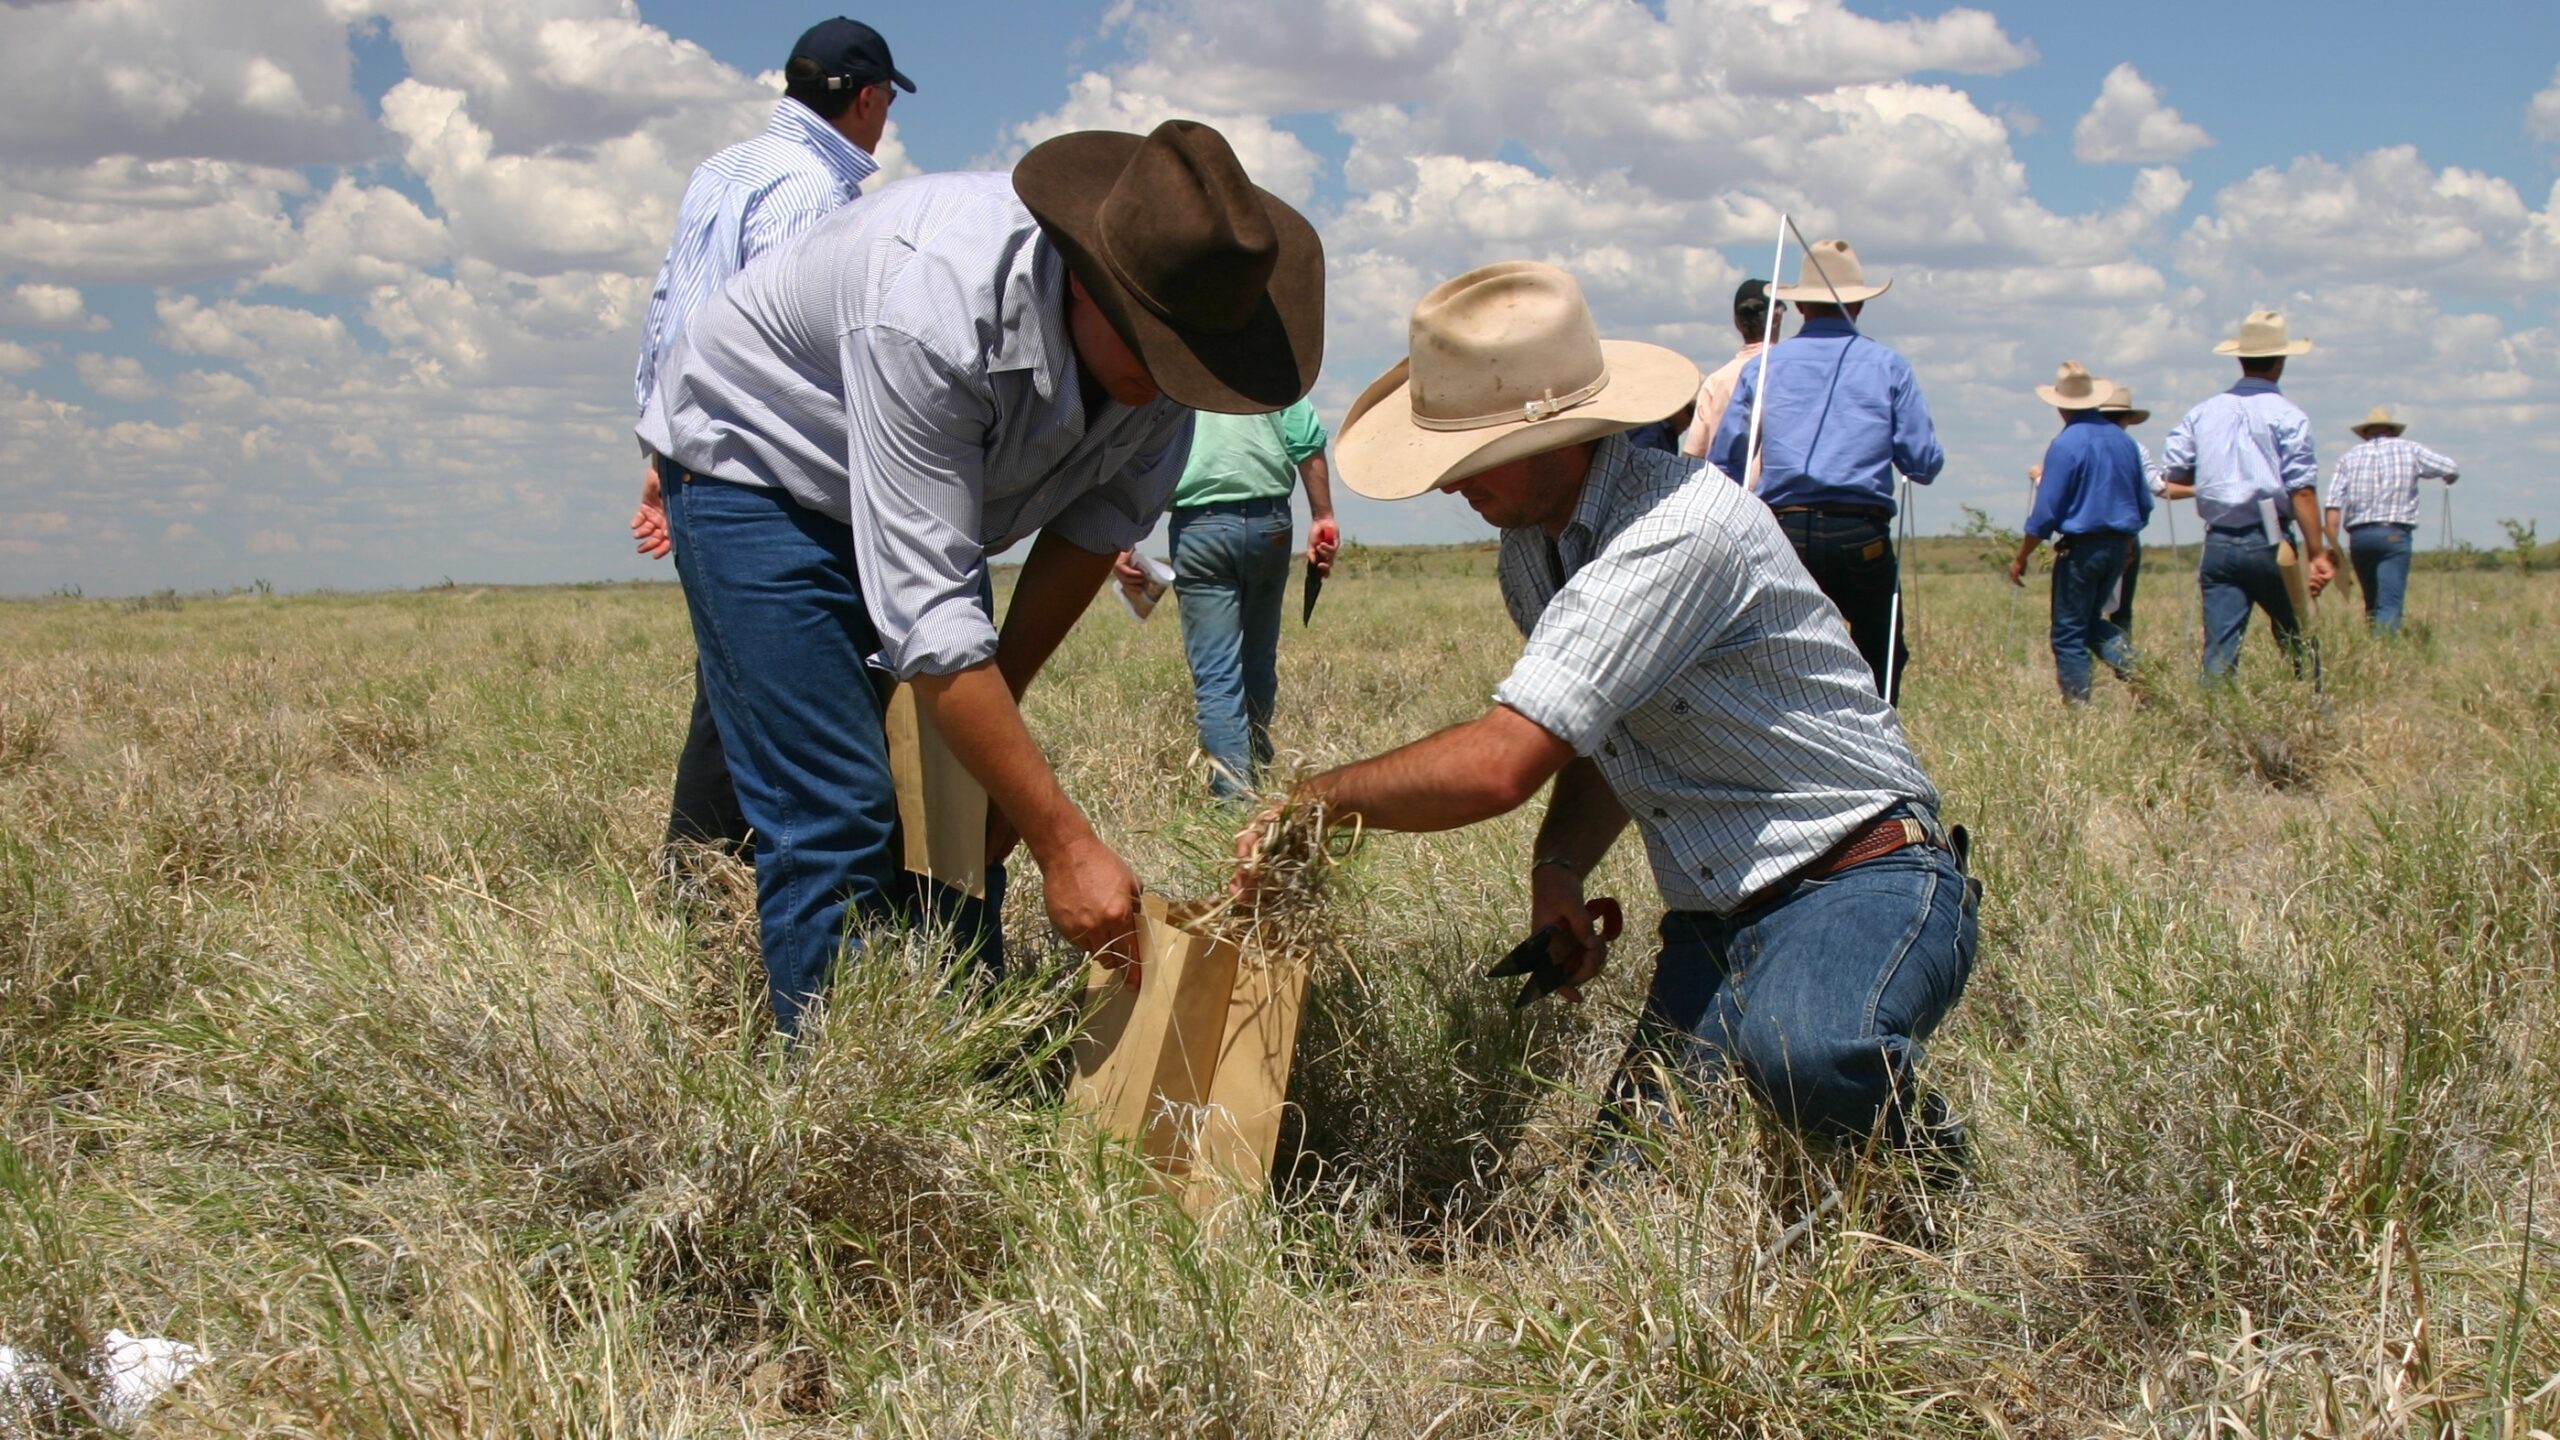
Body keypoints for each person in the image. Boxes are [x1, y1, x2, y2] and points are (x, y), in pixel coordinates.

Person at [1250, 260, 1975, 1166]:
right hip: (1713, 920)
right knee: (1626, 1187)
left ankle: (1937, 1185)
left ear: (1553, 435)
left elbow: (1499, 765)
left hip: (1860, 876)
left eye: (1467, 458)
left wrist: (1314, 798)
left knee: (1809, 1057)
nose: (1447, 487)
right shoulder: (1530, 551)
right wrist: (1560, 866)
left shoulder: (1673, 530)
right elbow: (1597, 730)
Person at [639, 121, 1323, 1033]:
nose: (1171, 388)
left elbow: (1087, 539)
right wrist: (1063, 840)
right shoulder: (928, 305)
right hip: (762, 467)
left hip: (901, 493)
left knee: (960, 806)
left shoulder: (1169, 372)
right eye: (1155, 358)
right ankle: (843, 1103)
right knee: (837, 811)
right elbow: (934, 621)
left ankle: (961, 1041)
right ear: (1086, 282)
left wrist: (1010, 783)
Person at [629, 17, 914, 873]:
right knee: (801, 678)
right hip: (772, 466)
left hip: (701, 444)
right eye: (887, 101)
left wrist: (664, 456)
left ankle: (703, 876)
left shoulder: (727, 169)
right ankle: (740, 875)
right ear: (866, 99)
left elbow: (672, 311)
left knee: (741, 674)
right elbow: (791, 342)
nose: (885, 117)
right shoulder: (813, 193)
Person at [1705, 240, 1943, 703]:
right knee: (1881, 652)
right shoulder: (1889, 366)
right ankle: (1874, 745)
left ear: (1796, 304)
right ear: (1857, 302)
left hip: (1784, 531)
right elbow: (1923, 462)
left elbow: (1726, 461)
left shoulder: (1765, 368)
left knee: (1781, 653)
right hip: (1861, 534)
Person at [1116, 400, 1339, 800]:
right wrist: (1323, 515)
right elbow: (1306, 440)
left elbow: (1135, 448)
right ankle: (1256, 765)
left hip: (1199, 526)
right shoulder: (1272, 366)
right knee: (1258, 659)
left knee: (1217, 676)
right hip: (1270, 521)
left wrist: (1122, 539)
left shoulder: (1172, 368)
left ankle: (1234, 801)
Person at [2158, 310, 2337, 677]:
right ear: (2281, 361)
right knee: (2297, 637)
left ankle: (2213, 725)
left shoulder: (2202, 413)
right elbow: (2301, 490)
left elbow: (2173, 471)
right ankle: (2314, 713)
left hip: (2220, 542)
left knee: (2220, 653)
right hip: (2271, 538)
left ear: (2239, 359)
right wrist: (2317, 552)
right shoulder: (2289, 416)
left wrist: (2215, 469)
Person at [2005, 364, 2150, 703]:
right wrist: (2128, 542)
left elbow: (2045, 513)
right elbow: (2142, 502)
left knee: (2068, 633)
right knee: (2088, 622)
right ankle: (2143, 674)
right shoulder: (2124, 442)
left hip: (2081, 549)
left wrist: (2021, 556)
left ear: (2060, 404)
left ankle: (2079, 710)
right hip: (2117, 546)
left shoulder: (2066, 444)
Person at [2325, 406, 2458, 634]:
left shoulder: (2348, 458)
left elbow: (2333, 504)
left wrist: (2332, 547)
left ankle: (2371, 652)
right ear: (2392, 431)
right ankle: (2384, 658)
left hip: (2359, 537)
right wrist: (2448, 478)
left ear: (2366, 433)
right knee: (2390, 603)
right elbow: (2450, 468)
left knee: (2372, 601)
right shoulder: (2410, 450)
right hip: (2394, 535)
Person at [1678, 278, 1783, 462]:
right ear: (1776, 317)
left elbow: (1693, 454)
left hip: (1726, 485)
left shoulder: (1715, 382)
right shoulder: (1790, 373)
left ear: (1736, 322)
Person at [2097, 385, 2165, 635]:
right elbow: (2156, 487)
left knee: (2081, 611)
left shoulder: (2081, 445)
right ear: (2127, 419)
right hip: (2125, 536)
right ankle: (2125, 662)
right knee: (2122, 608)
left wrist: (2038, 478)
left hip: (2084, 538)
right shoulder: (2136, 448)